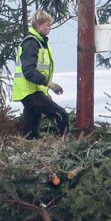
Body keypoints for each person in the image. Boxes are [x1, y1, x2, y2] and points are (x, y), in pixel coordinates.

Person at [12, 10, 69, 139]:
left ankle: (27, 149)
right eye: (47, 25)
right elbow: (29, 71)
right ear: (38, 25)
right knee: (60, 115)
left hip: (33, 90)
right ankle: (61, 146)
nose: (50, 28)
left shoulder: (40, 43)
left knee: (31, 127)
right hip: (30, 91)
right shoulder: (31, 43)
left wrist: (44, 90)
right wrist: (49, 84)